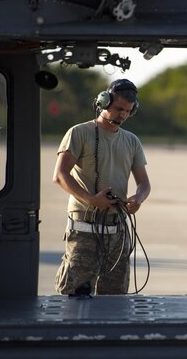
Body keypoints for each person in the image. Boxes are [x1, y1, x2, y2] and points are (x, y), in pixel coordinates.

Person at [53, 78, 151, 295]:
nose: (122, 116)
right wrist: (91, 200)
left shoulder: (132, 141)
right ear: (104, 102)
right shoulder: (79, 133)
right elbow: (60, 175)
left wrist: (138, 199)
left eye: (128, 111)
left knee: (115, 298)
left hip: (117, 232)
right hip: (84, 230)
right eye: (118, 109)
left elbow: (144, 183)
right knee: (74, 295)